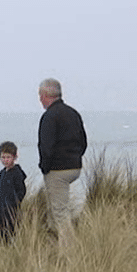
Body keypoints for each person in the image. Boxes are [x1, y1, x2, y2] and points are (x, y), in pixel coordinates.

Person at [38, 78, 87, 247]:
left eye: (40, 95)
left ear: (45, 95)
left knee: (60, 212)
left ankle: (69, 250)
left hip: (57, 169)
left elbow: (46, 147)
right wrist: (75, 158)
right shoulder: (73, 113)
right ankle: (56, 243)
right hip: (74, 166)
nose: (40, 100)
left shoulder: (49, 117)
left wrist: (45, 167)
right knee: (57, 210)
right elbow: (83, 141)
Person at [0, 141, 27, 241]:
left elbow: (21, 190)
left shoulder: (17, 173)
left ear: (14, 157)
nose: (5, 160)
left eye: (8, 157)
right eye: (3, 157)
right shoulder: (2, 173)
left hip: (12, 210)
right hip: (2, 210)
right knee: (1, 233)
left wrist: (15, 203)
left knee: (12, 233)